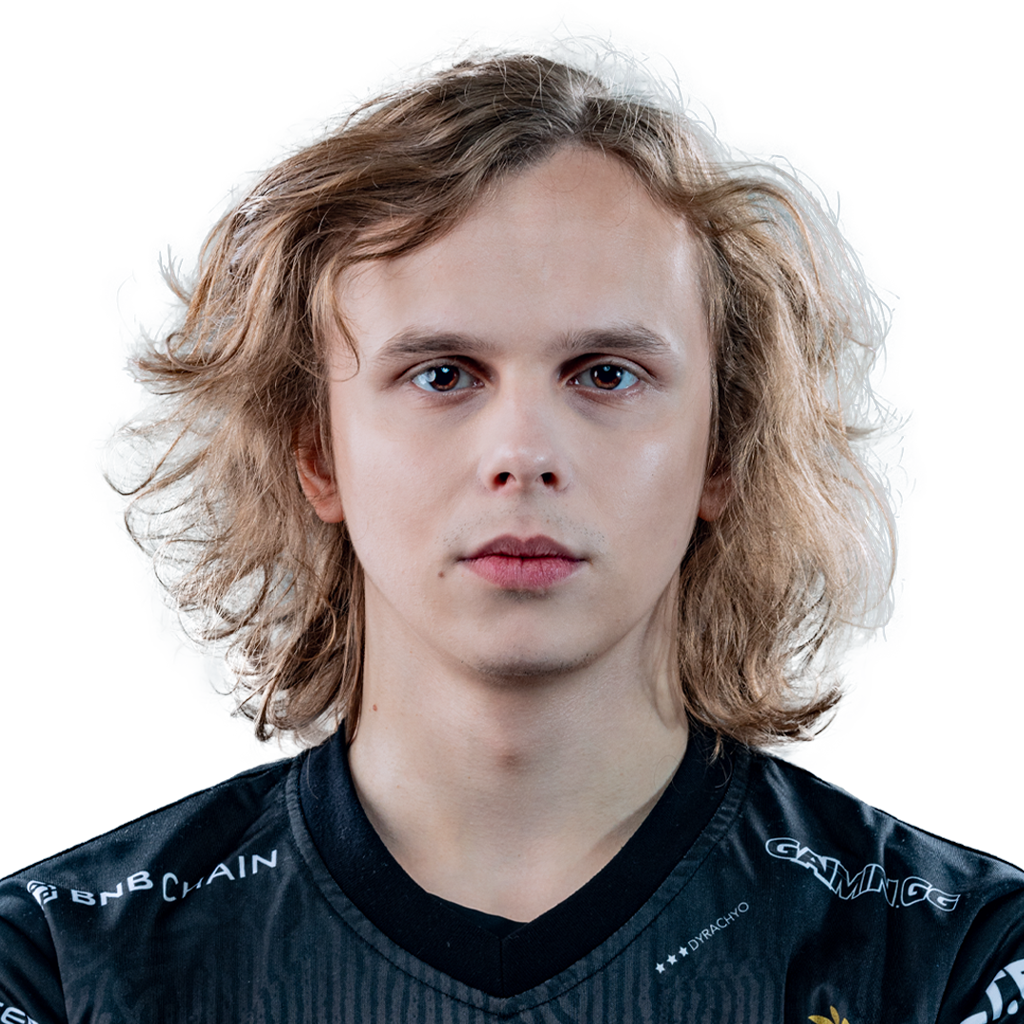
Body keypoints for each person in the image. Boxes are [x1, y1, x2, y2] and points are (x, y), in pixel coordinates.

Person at [1, 39, 1021, 1024]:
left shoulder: (956, 959)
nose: (523, 453)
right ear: (317, 453)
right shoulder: (60, 963)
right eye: (442, 374)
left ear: (722, 448)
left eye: (606, 374)